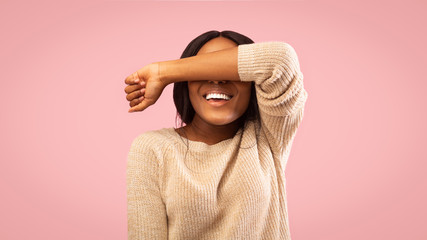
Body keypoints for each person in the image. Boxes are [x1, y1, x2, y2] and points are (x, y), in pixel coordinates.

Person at [124, 30, 308, 240]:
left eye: (229, 70)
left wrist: (162, 72)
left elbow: (281, 60)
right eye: (202, 69)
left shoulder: (269, 137)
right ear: (187, 82)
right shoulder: (152, 148)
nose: (217, 79)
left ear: (252, 83)